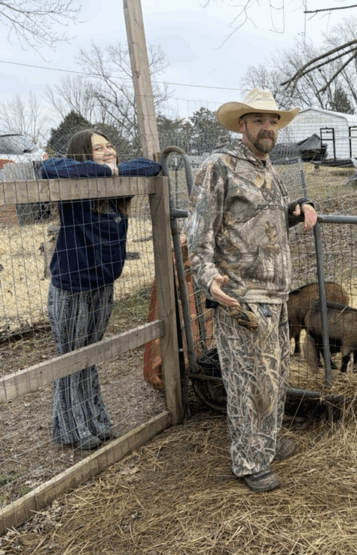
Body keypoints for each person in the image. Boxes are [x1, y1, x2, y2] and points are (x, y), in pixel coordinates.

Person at [186, 88, 317, 493]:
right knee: (248, 385)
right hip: (241, 297)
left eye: (272, 120)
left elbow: (264, 222)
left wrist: (298, 209)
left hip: (277, 294)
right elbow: (198, 235)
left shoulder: (268, 169)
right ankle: (249, 461)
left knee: (274, 378)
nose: (267, 127)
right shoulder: (219, 166)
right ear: (242, 125)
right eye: (258, 120)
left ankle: (267, 443)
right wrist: (208, 279)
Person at [41, 129, 162, 450]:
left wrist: (113, 170)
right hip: (70, 288)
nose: (109, 151)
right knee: (71, 359)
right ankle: (72, 429)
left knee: (90, 357)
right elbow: (49, 167)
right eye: (99, 149)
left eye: (110, 146)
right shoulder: (75, 187)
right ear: (83, 155)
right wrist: (104, 170)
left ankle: (96, 420)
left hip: (103, 287)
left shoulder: (117, 189)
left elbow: (151, 167)